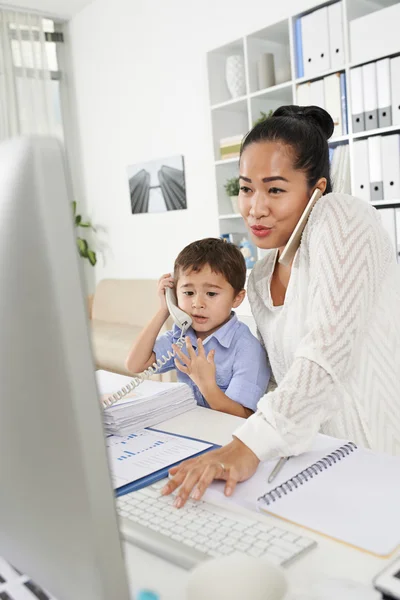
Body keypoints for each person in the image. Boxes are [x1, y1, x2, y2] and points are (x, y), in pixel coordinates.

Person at [162, 105, 400, 508]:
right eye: (245, 188)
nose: (255, 208)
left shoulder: (342, 217)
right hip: (310, 459)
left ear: (316, 190)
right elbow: (281, 378)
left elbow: (325, 354)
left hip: (377, 457)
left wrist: (249, 446)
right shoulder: (259, 275)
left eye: (275, 189)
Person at [125, 237, 270, 418]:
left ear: (237, 298)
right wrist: (164, 310)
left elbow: (242, 416)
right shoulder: (182, 336)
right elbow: (135, 364)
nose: (197, 303)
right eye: (188, 293)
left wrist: (207, 385)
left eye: (211, 293)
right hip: (190, 429)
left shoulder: (247, 349)